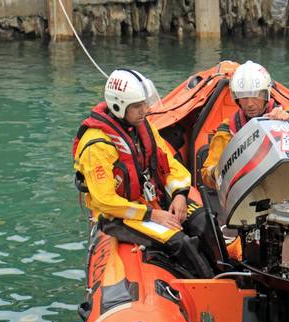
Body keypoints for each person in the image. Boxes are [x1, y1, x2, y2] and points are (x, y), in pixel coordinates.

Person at [73, 68, 213, 278]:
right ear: (120, 106)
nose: (145, 110)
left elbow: (169, 162)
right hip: (119, 215)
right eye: (138, 106)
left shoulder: (143, 127)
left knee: (204, 221)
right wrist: (151, 215)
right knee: (180, 243)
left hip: (150, 200)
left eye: (144, 104)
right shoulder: (97, 146)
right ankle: (207, 287)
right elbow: (106, 201)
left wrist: (180, 195)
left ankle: (230, 274)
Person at [201, 60, 289, 189]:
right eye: (244, 97)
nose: (250, 104)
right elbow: (206, 174)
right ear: (236, 99)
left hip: (285, 184)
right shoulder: (228, 130)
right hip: (247, 191)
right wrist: (223, 169)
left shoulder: (285, 114)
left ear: (266, 95)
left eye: (256, 96)